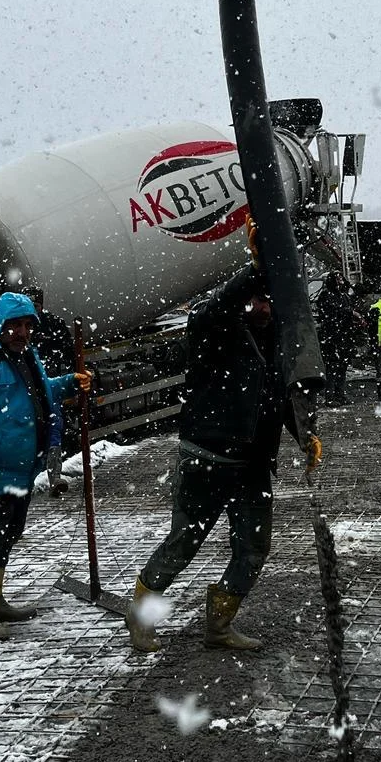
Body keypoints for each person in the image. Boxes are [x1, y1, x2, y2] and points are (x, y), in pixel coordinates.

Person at [124, 266, 322, 654]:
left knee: (252, 548)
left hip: (252, 465)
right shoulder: (214, 326)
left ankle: (219, 626)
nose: (263, 307)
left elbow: (283, 396)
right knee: (185, 542)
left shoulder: (277, 341)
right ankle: (140, 615)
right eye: (256, 298)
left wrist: (305, 436)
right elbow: (220, 305)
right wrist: (255, 267)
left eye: (268, 299)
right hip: (207, 458)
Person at [0, 292, 90, 643]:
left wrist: (68, 383)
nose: (22, 332)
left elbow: (35, 395)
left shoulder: (23, 356)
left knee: (7, 536)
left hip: (19, 472)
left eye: (27, 326)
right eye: (15, 325)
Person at [315, 271, 356, 405]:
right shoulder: (326, 295)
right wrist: (350, 312)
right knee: (332, 366)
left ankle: (340, 394)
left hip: (344, 335)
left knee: (342, 366)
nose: (341, 281)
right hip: (332, 336)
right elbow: (332, 312)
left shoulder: (344, 296)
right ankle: (330, 396)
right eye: (338, 279)